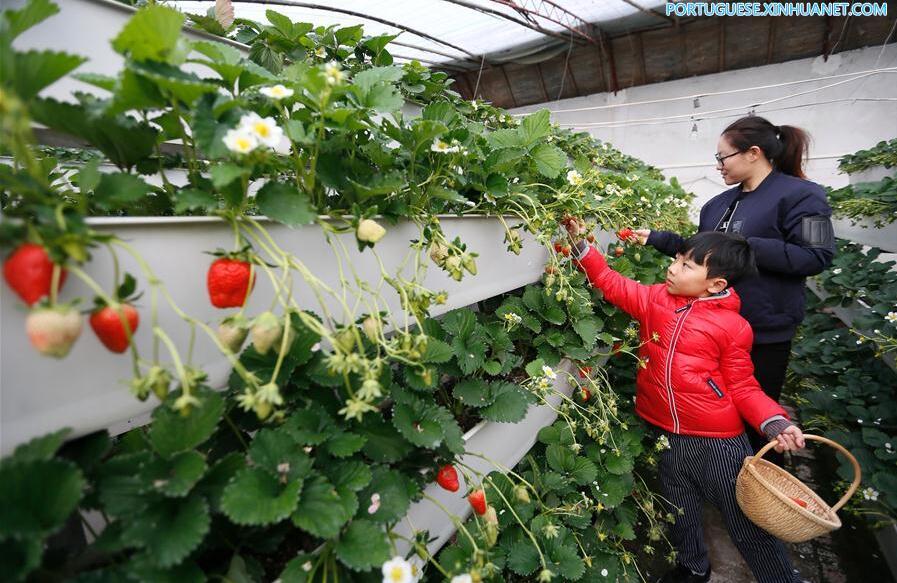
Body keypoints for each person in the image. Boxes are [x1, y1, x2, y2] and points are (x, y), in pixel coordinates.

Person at [569, 229, 806, 583]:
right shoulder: (655, 300)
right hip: (668, 433)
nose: (673, 268)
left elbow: (743, 385)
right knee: (679, 508)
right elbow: (611, 282)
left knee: (743, 521)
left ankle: (781, 579)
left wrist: (773, 420)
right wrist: (582, 250)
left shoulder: (732, 327)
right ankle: (693, 568)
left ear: (715, 284)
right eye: (677, 259)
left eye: (687, 265)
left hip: (719, 442)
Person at [631, 116, 834, 458]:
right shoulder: (716, 207)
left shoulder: (804, 196)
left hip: (763, 330)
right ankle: (720, 477)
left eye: (722, 157)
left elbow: (818, 255)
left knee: (759, 418)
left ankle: (760, 489)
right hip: (709, 331)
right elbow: (703, 255)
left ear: (753, 153)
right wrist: (659, 239)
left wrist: (746, 244)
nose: (718, 165)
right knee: (716, 412)